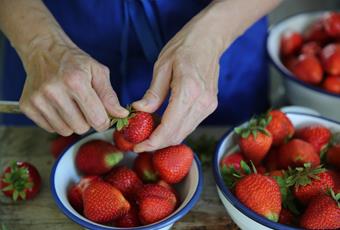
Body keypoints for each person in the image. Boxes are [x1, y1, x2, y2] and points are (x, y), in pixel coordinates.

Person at [0, 0, 281, 153]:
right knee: (34, 148)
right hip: (50, 31)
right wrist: (40, 44)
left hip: (220, 25)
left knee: (224, 152)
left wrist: (212, 35)